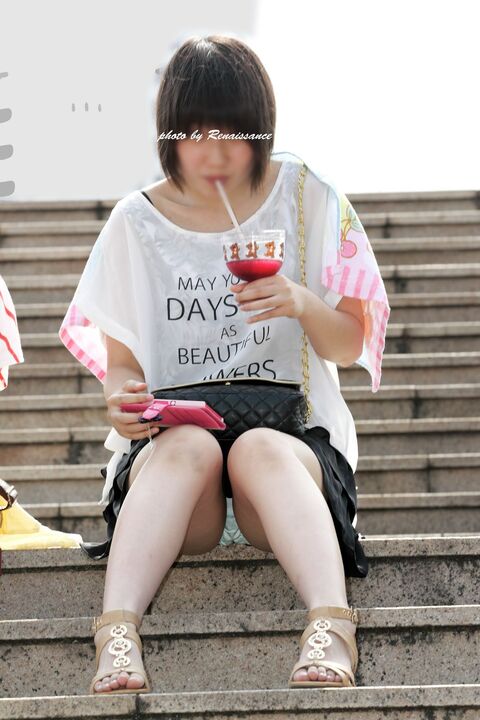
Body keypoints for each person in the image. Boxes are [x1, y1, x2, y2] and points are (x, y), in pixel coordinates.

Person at [58, 34, 390, 694]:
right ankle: (116, 634)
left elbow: (350, 343)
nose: (215, 151)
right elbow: (121, 366)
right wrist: (123, 402)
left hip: (292, 459)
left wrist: (299, 301)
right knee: (191, 445)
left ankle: (331, 626)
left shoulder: (305, 196)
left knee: (258, 448)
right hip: (179, 479)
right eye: (195, 132)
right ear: (169, 134)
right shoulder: (135, 223)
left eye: (234, 131)